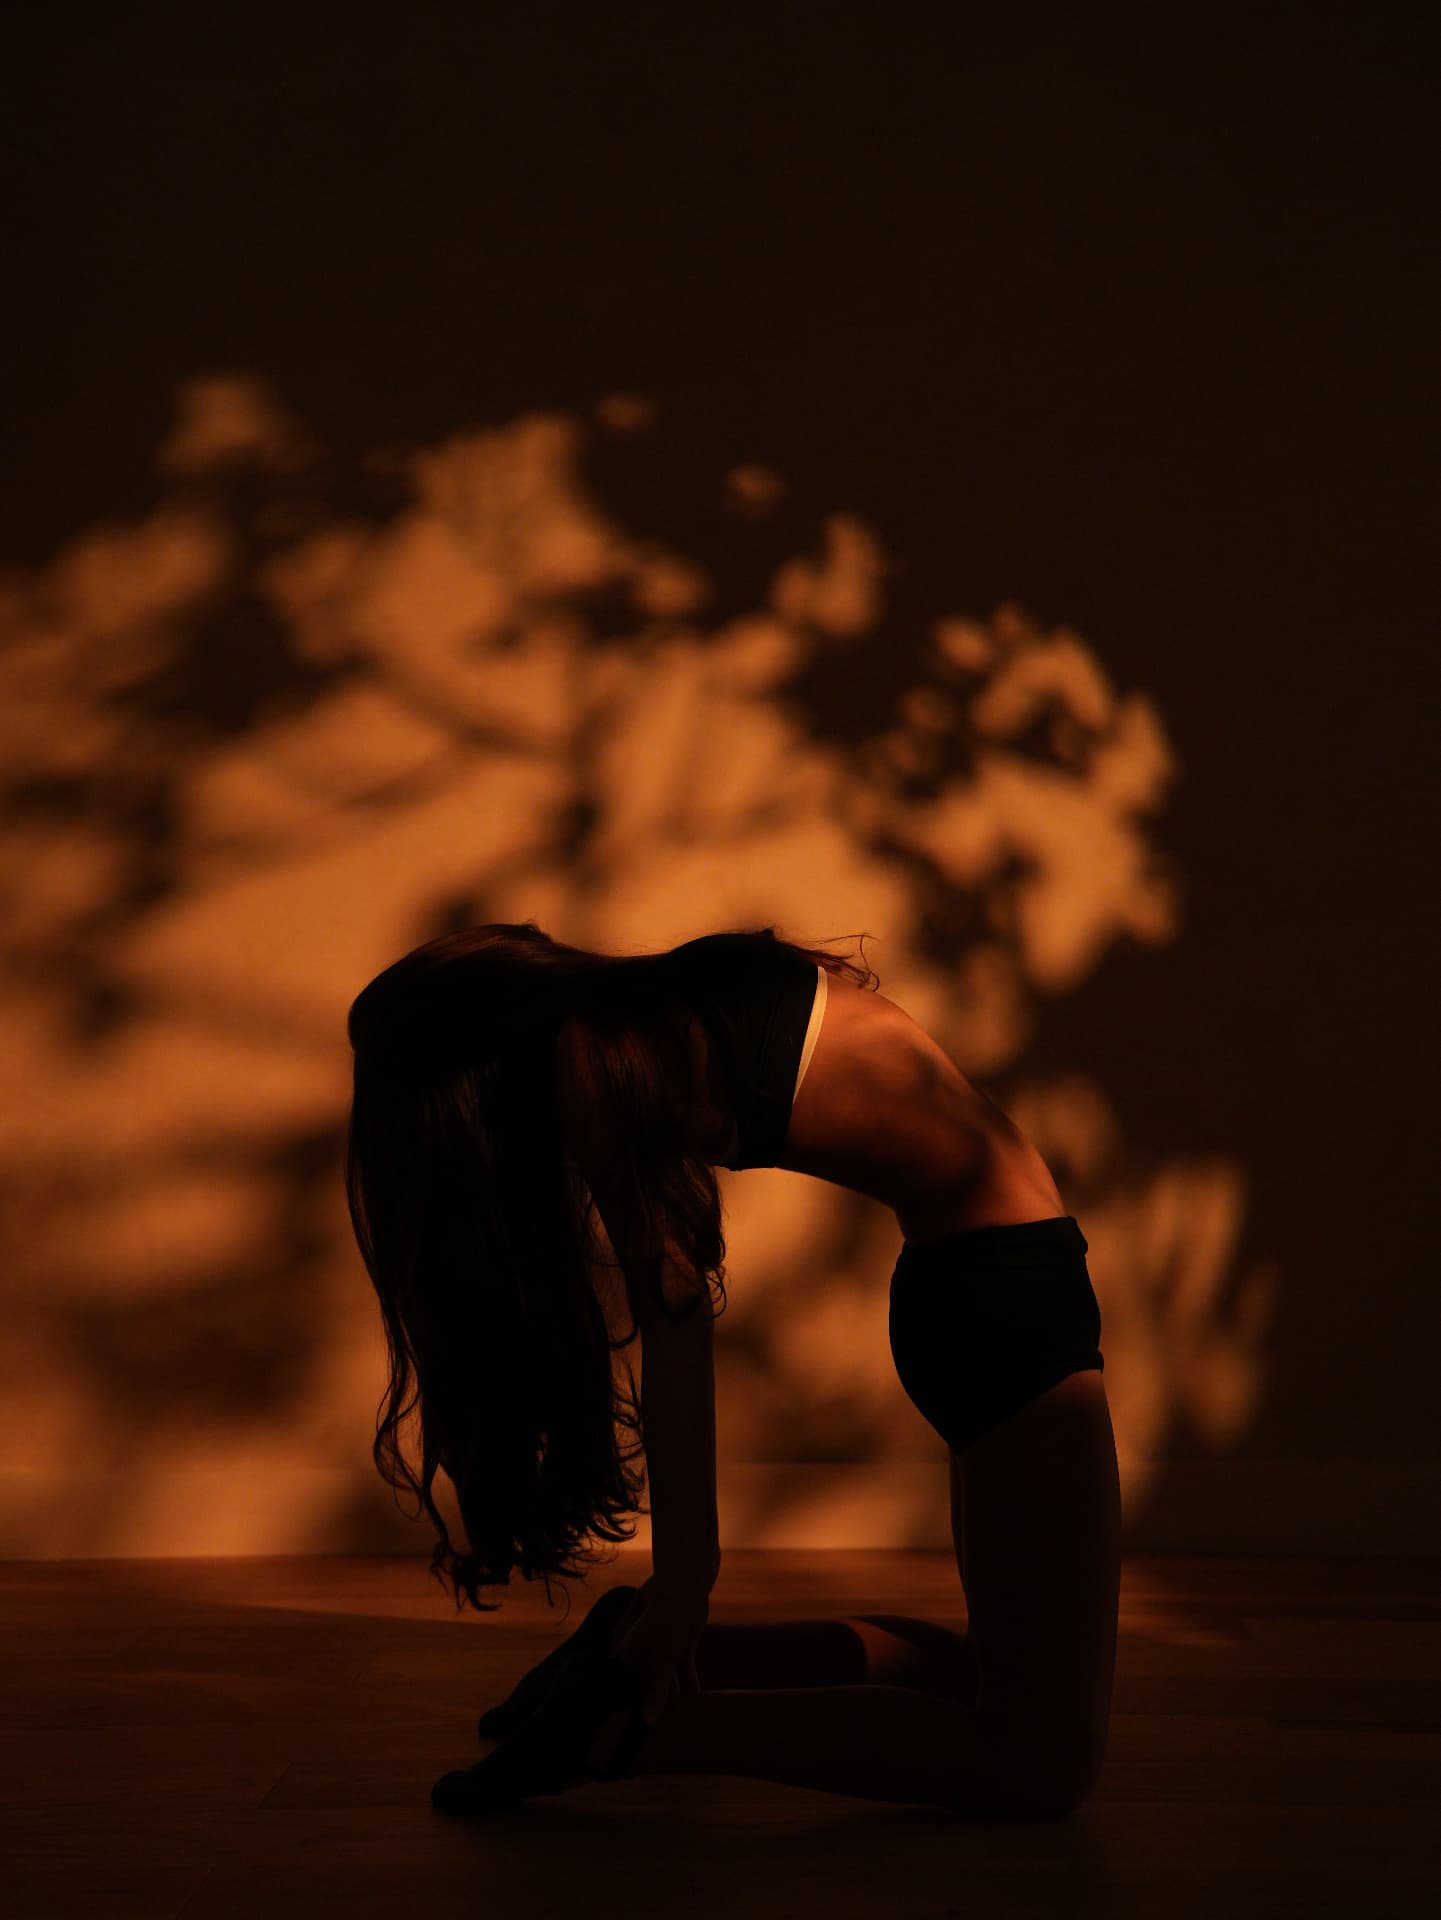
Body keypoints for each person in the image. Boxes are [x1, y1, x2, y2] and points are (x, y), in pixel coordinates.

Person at [344, 920, 1120, 1819]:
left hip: (988, 1293)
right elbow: (676, 1318)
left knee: (973, 1676)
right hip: (1002, 1301)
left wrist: (675, 1611)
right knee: (1042, 1766)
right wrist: (684, 1585)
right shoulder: (605, 1046)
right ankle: (635, 1734)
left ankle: (637, 1660)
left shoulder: (624, 1029)